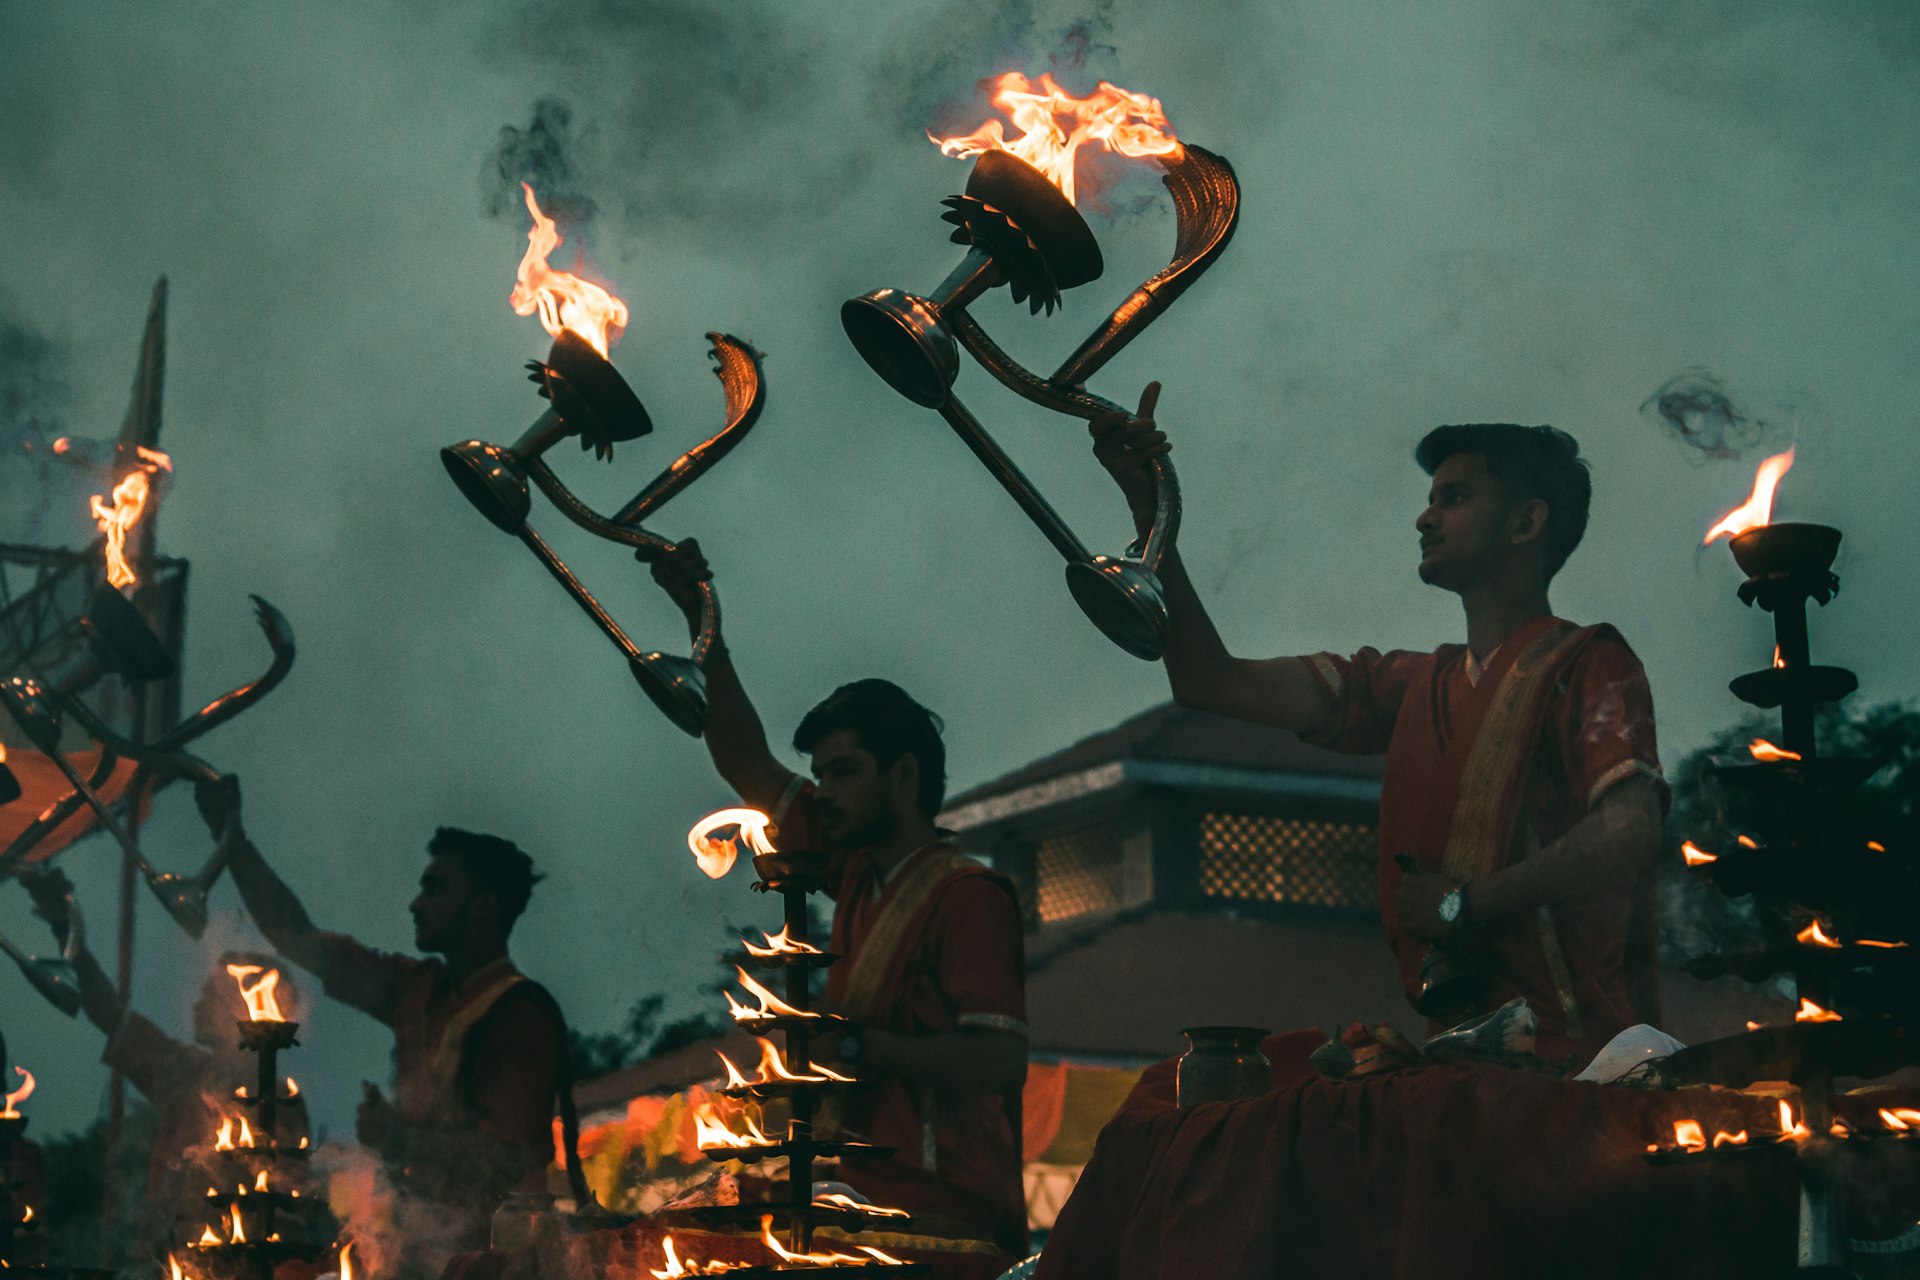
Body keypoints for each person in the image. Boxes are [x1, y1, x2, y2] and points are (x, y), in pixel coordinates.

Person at [1089, 386, 1666, 1058]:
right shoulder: (1409, 686)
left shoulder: (1590, 662)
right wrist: (1151, 509)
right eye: (1431, 498)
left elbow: (1629, 833)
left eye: (1454, 498)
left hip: (1579, 1059)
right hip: (1456, 1055)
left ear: (1525, 522)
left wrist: (1465, 905)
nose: (1425, 518)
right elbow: (1209, 681)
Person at [651, 545, 1030, 1262]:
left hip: (941, 1214)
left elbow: (999, 1061)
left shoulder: (967, 896)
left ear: (904, 775)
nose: (824, 792)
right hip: (858, 1198)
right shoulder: (854, 871)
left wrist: (855, 1047)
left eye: (844, 773)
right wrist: (704, 624)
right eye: (820, 775)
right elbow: (746, 763)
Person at [204, 777, 587, 1268]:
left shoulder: (521, 1015)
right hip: (425, 1252)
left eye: (435, 888)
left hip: (501, 1264)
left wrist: (398, 1137)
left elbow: (508, 1161)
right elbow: (300, 939)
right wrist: (232, 841)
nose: (415, 903)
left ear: (484, 907)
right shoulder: (418, 989)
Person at [18, 865, 311, 1255]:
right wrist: (65, 927)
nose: (198, 1002)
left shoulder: (277, 1103)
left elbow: (285, 1210)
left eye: (212, 994)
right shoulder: (184, 1072)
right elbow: (108, 1012)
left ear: (247, 1007)